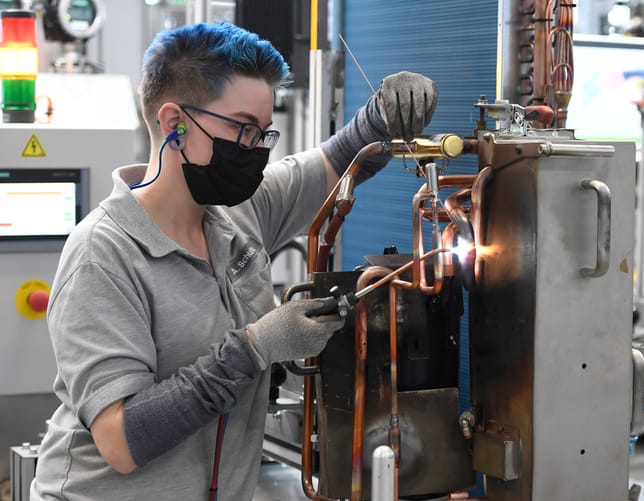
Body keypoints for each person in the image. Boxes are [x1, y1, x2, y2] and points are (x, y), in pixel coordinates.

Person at [31, 22, 437, 500]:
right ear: (173, 123)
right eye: (243, 129)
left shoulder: (238, 214)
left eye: (264, 134)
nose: (255, 152)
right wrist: (254, 349)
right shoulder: (103, 254)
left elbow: (341, 159)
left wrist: (385, 117)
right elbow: (121, 440)